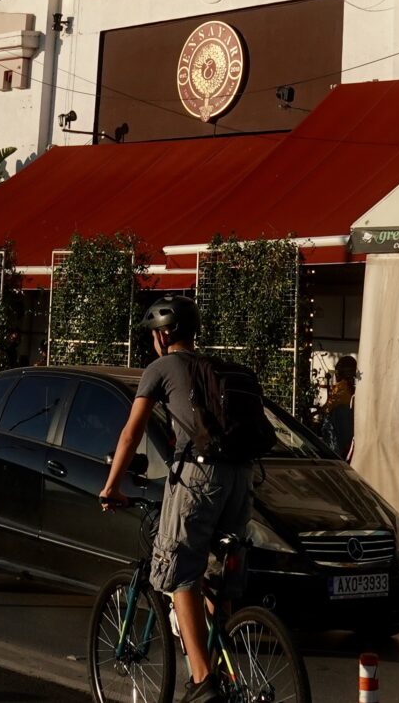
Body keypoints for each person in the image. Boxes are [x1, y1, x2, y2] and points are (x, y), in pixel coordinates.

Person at [99, 296, 253, 703]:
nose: (153, 340)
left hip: (197, 476)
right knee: (216, 574)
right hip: (241, 478)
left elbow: (132, 433)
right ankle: (225, 668)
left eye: (154, 333)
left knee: (179, 568)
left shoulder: (161, 367)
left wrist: (112, 486)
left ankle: (202, 680)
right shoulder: (216, 368)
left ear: (164, 333)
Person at [321, 355, 359, 460]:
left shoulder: (341, 387)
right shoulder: (353, 388)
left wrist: (321, 411)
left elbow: (328, 408)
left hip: (341, 436)